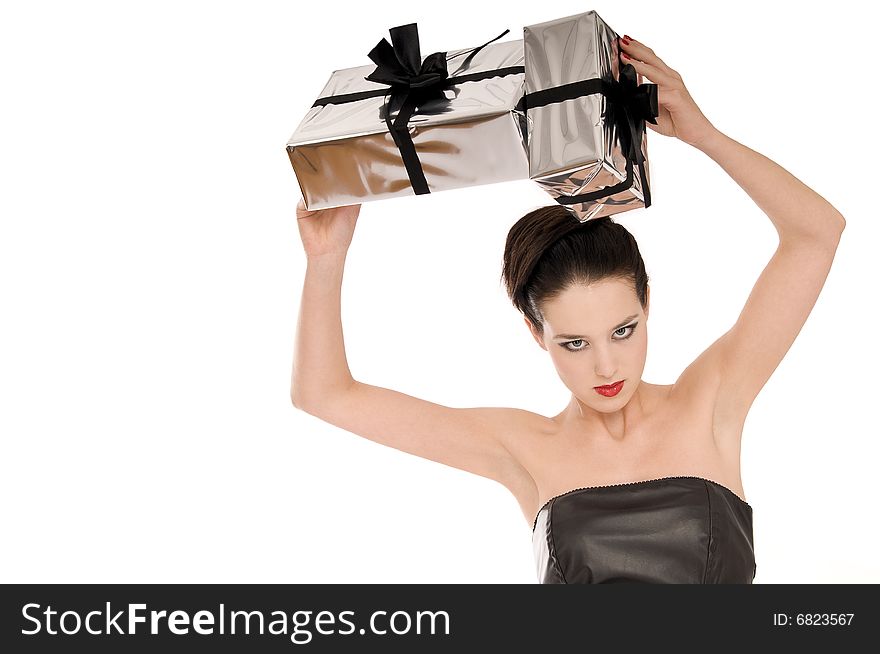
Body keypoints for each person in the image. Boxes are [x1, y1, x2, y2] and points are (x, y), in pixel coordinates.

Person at [290, 35, 846, 583]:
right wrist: (326, 258)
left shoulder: (712, 400)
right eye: (574, 344)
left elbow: (818, 234)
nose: (606, 367)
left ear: (647, 305)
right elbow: (324, 394)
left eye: (623, 331)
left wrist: (705, 136)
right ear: (537, 334)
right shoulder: (523, 447)